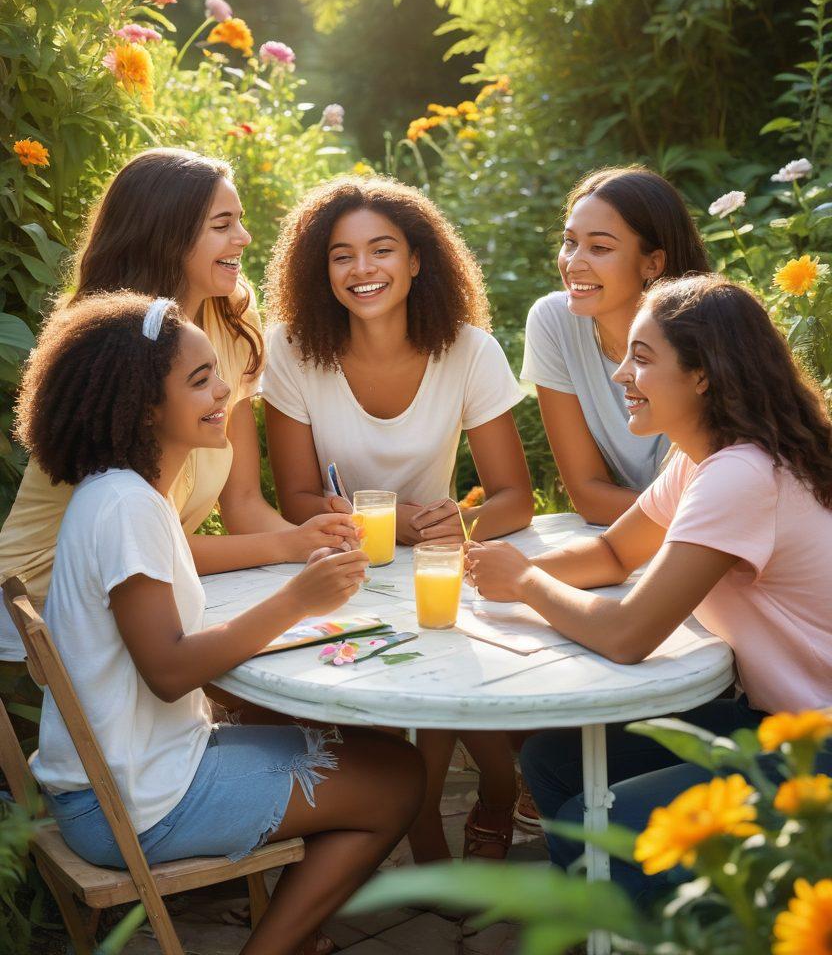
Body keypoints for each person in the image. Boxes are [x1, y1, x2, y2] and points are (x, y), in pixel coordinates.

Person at [15, 291, 424, 955]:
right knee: (398, 779)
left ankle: (297, 929)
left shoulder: (122, 493)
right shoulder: (126, 507)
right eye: (200, 380)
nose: (224, 391)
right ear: (144, 405)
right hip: (131, 807)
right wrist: (298, 600)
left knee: (342, 739)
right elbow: (171, 671)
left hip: (115, 779)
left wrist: (293, 571)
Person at [467, 275, 832, 895]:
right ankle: (605, 925)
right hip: (776, 722)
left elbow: (630, 634)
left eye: (641, 358)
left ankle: (684, 923)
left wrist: (526, 581)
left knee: (619, 819)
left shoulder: (742, 474)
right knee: (554, 762)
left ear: (703, 375)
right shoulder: (702, 459)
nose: (619, 377)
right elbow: (613, 553)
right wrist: (484, 572)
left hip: (816, 747)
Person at [261, 175, 535, 862]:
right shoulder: (292, 348)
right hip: (345, 560)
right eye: (341, 255)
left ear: (417, 259)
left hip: (440, 561)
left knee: (458, 681)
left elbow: (513, 496)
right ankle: (428, 830)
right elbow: (296, 496)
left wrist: (459, 528)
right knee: (410, 700)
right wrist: (386, 523)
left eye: (381, 250)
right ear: (318, 271)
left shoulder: (469, 350)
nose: (362, 270)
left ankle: (495, 798)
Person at [0, 148, 358, 667]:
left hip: (159, 586)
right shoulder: (112, 352)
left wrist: (318, 547)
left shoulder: (232, 320)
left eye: (240, 221)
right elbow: (139, 543)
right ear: (167, 235)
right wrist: (291, 550)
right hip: (52, 598)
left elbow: (241, 503)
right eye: (222, 225)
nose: (243, 238)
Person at [522, 167, 710, 526]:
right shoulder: (554, 322)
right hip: (662, 528)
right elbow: (588, 494)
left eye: (600, 247)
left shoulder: (705, 335)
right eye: (569, 242)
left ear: (652, 263)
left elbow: (716, 500)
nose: (574, 264)